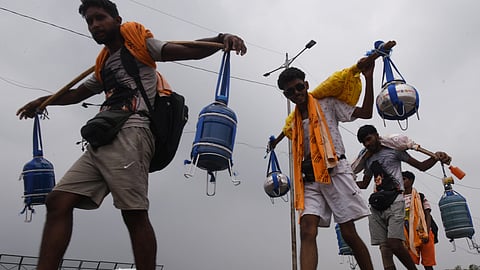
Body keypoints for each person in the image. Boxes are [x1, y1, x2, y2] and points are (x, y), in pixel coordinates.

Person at [16, 1, 247, 270]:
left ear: (117, 19)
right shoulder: (103, 65)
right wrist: (43, 102)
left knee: (134, 214)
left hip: (132, 133)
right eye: (90, 21)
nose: (95, 25)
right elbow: (77, 94)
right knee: (58, 201)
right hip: (103, 138)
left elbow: (184, 50)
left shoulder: (139, 46)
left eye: (100, 18)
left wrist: (220, 40)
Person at [268, 47, 387, 270]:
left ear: (306, 85)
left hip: (335, 171)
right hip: (310, 179)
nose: (296, 94)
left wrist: (368, 78)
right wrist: (275, 142)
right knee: (306, 229)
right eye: (289, 93)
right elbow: (287, 131)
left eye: (298, 88)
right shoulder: (293, 121)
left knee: (348, 233)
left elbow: (367, 112)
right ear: (285, 95)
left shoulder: (327, 103)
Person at [355, 125, 449, 270]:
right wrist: (343, 181)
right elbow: (364, 184)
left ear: (376, 135)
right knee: (385, 249)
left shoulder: (394, 152)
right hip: (377, 205)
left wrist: (436, 157)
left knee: (394, 243)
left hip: (395, 201)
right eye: (363, 142)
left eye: (368, 139)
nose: (367, 144)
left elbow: (421, 166)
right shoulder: (367, 160)